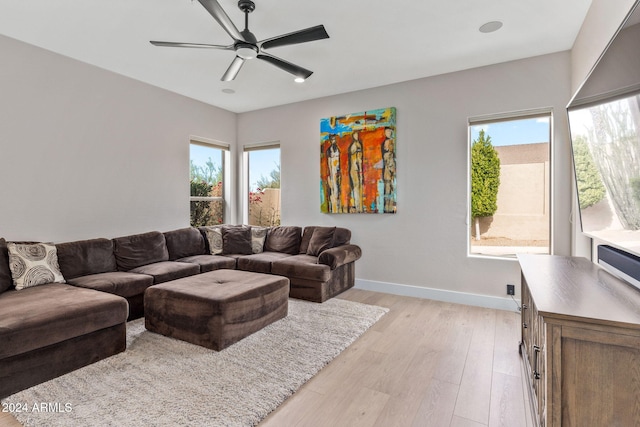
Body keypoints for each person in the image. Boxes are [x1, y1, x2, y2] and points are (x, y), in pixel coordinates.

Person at [348, 131, 364, 212]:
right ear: (353, 136)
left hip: (359, 169)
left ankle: (359, 207)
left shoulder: (359, 145)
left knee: (360, 187)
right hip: (354, 169)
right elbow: (354, 159)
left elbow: (360, 158)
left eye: (357, 134)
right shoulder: (353, 146)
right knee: (356, 187)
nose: (357, 136)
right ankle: (356, 206)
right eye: (355, 135)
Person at [325, 134, 341, 213]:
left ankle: (337, 206)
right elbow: (329, 164)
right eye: (332, 139)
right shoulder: (329, 150)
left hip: (337, 171)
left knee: (337, 189)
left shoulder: (337, 149)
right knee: (332, 189)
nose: (333, 141)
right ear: (330, 140)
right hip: (332, 171)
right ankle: (333, 207)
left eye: (334, 139)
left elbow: (339, 161)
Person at [382, 127, 396, 213]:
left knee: (390, 188)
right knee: (387, 188)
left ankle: (389, 207)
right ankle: (387, 208)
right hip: (387, 170)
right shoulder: (386, 154)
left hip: (391, 170)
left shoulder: (391, 143)